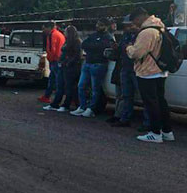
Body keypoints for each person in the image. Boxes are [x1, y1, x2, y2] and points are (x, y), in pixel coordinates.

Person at [125, 8, 174, 143]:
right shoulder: (160, 28)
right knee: (161, 102)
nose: (135, 24)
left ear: (140, 17)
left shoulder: (147, 32)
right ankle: (167, 131)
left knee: (151, 103)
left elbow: (136, 53)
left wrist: (129, 47)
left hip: (148, 71)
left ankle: (155, 132)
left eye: (135, 21)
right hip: (160, 70)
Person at [107, 15, 148, 128]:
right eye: (127, 25)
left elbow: (138, 52)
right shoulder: (126, 35)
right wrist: (116, 47)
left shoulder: (142, 35)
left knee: (145, 97)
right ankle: (125, 118)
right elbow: (122, 49)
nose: (129, 27)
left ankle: (148, 122)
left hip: (137, 68)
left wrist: (129, 48)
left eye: (131, 25)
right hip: (125, 67)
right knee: (126, 95)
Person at [71, 18, 114, 117]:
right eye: (98, 24)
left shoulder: (108, 37)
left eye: (101, 25)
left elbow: (102, 47)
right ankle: (82, 106)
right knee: (81, 86)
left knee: (95, 88)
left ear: (106, 26)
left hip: (98, 65)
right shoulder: (93, 35)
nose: (98, 26)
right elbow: (84, 44)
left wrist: (93, 46)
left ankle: (91, 109)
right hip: (88, 63)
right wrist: (95, 46)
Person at [46, 25, 82, 112]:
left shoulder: (76, 42)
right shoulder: (67, 41)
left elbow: (77, 55)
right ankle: (56, 103)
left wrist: (68, 62)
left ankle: (66, 105)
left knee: (68, 86)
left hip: (70, 67)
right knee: (60, 85)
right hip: (63, 65)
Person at [38, 22, 65, 104]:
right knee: (53, 79)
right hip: (59, 59)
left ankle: (55, 100)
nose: (43, 30)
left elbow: (51, 49)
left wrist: (50, 59)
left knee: (56, 81)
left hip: (55, 60)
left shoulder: (51, 35)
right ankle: (47, 96)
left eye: (44, 28)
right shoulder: (59, 34)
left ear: (48, 28)